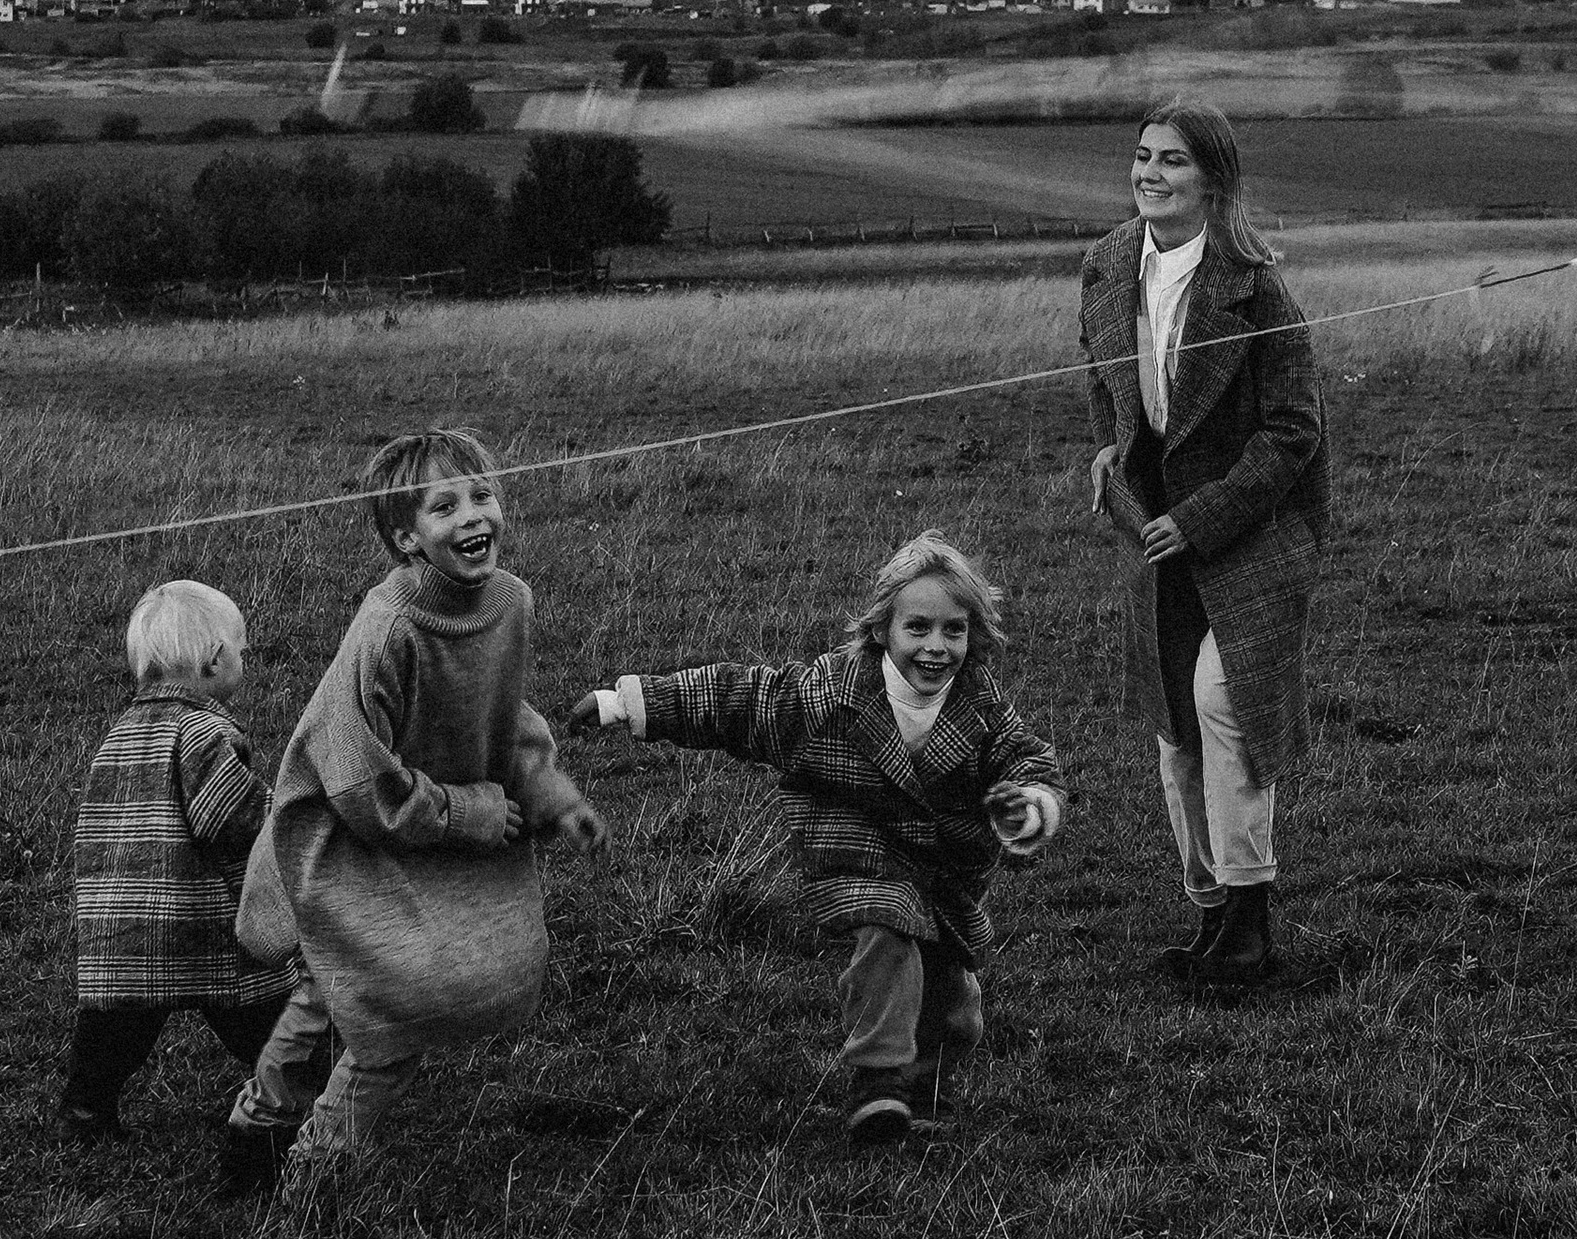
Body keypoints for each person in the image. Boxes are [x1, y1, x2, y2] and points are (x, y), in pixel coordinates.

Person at [567, 530, 1064, 1147]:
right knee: (888, 927)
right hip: (850, 847)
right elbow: (736, 701)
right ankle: (877, 1084)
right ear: (883, 629)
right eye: (918, 628)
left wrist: (1027, 806)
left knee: (949, 995)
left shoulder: (981, 705)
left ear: (973, 634)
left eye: (954, 631)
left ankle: (920, 1092)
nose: (936, 647)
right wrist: (627, 703)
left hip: (944, 867)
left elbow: (1025, 761)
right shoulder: (829, 695)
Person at [229, 427, 604, 1195]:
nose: (474, 516)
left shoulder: (509, 603)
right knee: (386, 1015)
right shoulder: (389, 630)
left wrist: (552, 796)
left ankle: (257, 1127)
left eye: (483, 495)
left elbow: (505, 718)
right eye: (445, 506)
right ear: (406, 537)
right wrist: (465, 814)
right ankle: (311, 1175)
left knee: (336, 988)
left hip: (418, 823)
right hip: (346, 832)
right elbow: (358, 778)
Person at [1080, 98, 1328, 990]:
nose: (1151, 173)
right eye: (1142, 155)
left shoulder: (1257, 287)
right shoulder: (1106, 264)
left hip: (1255, 527)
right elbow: (1101, 376)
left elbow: (1293, 432)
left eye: (1173, 161)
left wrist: (1207, 515)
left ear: (1213, 180)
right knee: (1174, 729)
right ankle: (1214, 912)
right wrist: (1111, 448)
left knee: (1225, 703)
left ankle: (1254, 921)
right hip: (1156, 533)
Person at [62, 578, 308, 1166]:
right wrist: (279, 815)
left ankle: (84, 1110)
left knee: (115, 1030)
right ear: (217, 659)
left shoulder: (117, 735)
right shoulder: (206, 730)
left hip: (118, 925)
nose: (243, 660)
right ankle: (299, 1095)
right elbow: (228, 815)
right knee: (261, 1018)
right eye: (243, 650)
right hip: (198, 919)